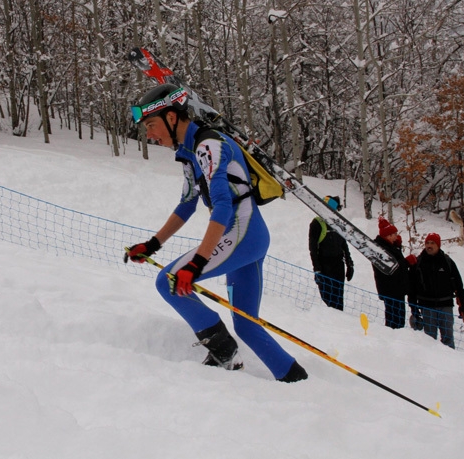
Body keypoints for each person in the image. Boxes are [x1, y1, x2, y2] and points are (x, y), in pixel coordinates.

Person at [123, 84, 308, 383]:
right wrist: (152, 244)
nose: (149, 135)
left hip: (242, 234)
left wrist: (196, 263)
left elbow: (222, 206)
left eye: (152, 125)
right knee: (247, 324)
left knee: (168, 282)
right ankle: (295, 379)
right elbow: (186, 204)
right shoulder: (188, 151)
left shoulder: (209, 145)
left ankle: (224, 351)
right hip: (248, 236)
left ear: (172, 118)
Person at [406, 233, 464, 349]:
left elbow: (458, 284)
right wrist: (413, 307)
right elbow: (411, 287)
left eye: (432, 243)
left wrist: (462, 304)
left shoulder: (447, 262)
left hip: (446, 305)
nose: (429, 246)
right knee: (429, 340)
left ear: (438, 245)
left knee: (448, 338)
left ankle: (450, 362)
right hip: (426, 306)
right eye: (427, 243)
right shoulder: (418, 263)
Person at [309, 196, 354, 310]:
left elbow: (344, 245)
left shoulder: (338, 223)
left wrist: (349, 264)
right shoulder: (317, 223)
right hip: (324, 266)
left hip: (338, 265)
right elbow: (313, 249)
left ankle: (339, 324)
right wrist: (317, 269)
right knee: (328, 301)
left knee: (338, 299)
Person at [372, 217, 410, 329]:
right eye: (394, 234)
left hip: (396, 288)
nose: (396, 236)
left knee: (398, 318)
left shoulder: (388, 247)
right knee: (394, 320)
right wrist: (407, 262)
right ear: (387, 236)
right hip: (391, 289)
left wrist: (397, 247)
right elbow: (392, 268)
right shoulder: (381, 249)